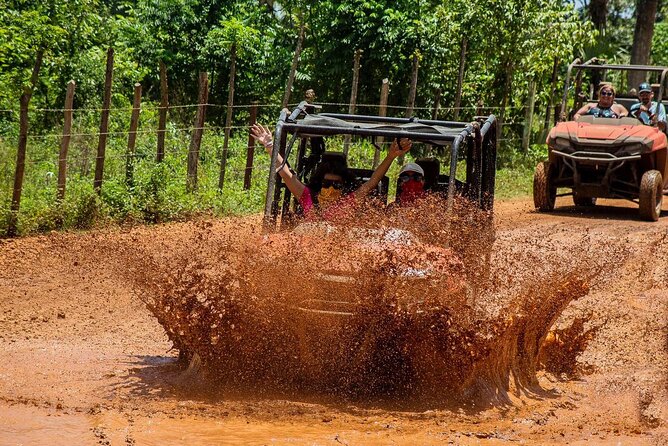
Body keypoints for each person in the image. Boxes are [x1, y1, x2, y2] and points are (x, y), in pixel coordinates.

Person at [250, 123, 412, 219]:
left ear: (344, 187)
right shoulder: (309, 199)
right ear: (320, 184)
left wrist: (390, 156)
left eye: (337, 185)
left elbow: (371, 183)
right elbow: (287, 175)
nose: (331, 189)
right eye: (327, 183)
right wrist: (270, 146)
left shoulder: (347, 204)